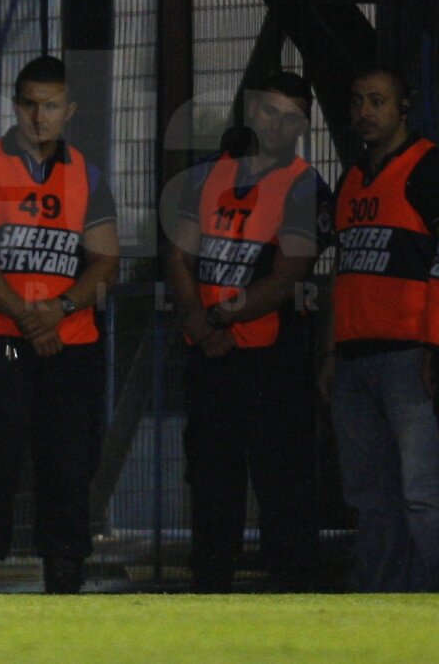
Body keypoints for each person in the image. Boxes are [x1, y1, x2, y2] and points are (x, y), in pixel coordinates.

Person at [0, 54, 119, 594]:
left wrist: (58, 310)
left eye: (50, 106)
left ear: (70, 110)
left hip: (71, 345)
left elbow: (107, 261)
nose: (39, 117)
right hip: (0, 343)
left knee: (68, 468)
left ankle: (65, 579)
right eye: (29, 105)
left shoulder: (89, 176)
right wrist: (31, 316)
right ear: (14, 105)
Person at [166, 71, 333, 593]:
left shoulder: (306, 186)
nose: (278, 124)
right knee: (211, 481)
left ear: (303, 126)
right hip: (211, 358)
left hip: (274, 361)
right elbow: (178, 255)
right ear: (252, 111)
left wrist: (212, 319)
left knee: (282, 485)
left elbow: (288, 279)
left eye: (291, 117)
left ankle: (292, 594)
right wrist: (199, 321)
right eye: (270, 111)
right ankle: (210, 588)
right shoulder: (204, 175)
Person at [324, 65, 439, 592]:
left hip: (409, 354)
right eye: (357, 101)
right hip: (354, 357)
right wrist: (332, 352)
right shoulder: (352, 178)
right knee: (371, 497)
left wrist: (434, 345)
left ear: (403, 107)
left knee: (421, 492)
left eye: (377, 101)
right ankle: (382, 602)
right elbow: (344, 270)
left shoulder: (428, 168)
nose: (364, 112)